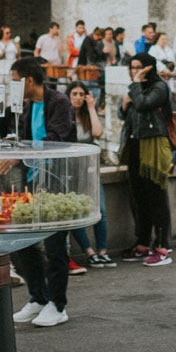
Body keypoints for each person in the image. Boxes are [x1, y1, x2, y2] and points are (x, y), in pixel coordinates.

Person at [8, 56, 76, 327]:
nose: (14, 87)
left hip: (58, 184)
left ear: (30, 81)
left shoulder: (59, 102)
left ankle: (57, 305)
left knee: (55, 246)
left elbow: (56, 139)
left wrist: (22, 151)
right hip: (34, 183)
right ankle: (38, 297)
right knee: (24, 240)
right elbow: (27, 139)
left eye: (16, 82)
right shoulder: (27, 107)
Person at [119, 51, 174, 265]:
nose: (134, 71)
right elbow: (126, 113)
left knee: (155, 196)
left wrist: (134, 87)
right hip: (135, 144)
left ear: (149, 68)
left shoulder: (159, 87)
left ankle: (162, 246)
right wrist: (124, 107)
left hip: (153, 143)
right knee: (138, 196)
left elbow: (142, 105)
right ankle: (142, 243)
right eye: (132, 67)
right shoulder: (136, 88)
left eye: (138, 67)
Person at [67, 80, 113, 269]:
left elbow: (97, 132)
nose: (77, 98)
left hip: (90, 170)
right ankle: (89, 252)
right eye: (74, 94)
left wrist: (92, 108)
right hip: (71, 172)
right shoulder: (64, 116)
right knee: (76, 213)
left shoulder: (87, 116)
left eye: (80, 94)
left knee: (100, 211)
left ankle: (102, 251)